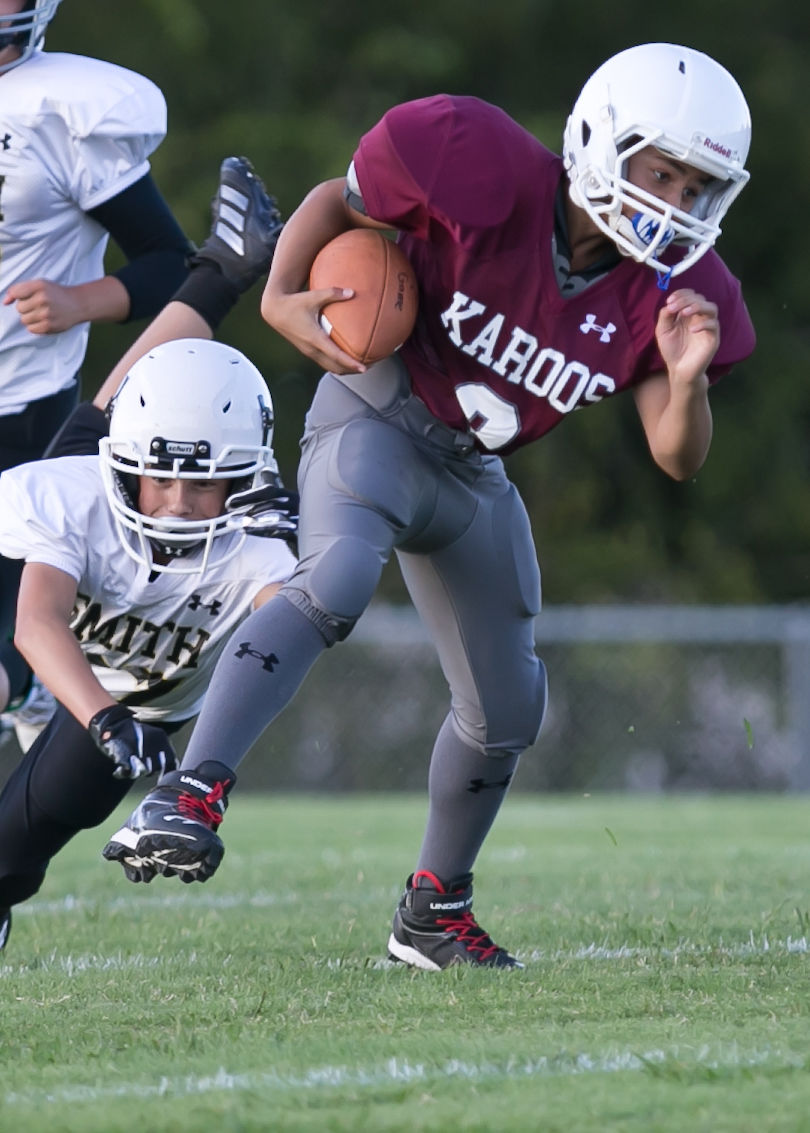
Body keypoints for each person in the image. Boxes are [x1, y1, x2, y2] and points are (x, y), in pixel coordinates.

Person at [106, 44, 755, 970]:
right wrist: (286, 292)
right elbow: (343, 195)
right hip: (379, 410)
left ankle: (432, 910)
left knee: (509, 705)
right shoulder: (480, 162)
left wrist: (686, 378)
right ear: (600, 140)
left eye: (699, 188)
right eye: (662, 172)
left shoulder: (678, 292)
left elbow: (675, 455)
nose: (676, 205)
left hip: (472, 471)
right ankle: (188, 793)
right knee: (335, 574)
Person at [0, 155, 295, 952]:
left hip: (143, 704)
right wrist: (100, 719)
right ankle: (227, 272)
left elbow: (281, 647)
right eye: (155, 478)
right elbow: (36, 621)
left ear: (247, 479)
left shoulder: (262, 548)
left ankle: (224, 270)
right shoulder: (78, 490)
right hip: (94, 685)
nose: (174, 503)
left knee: (11, 853)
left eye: (203, 487)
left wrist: (193, 786)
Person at [0, 0, 195, 747]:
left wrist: (82, 300)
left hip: (23, 410)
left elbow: (169, 260)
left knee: (14, 629)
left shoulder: (63, 113)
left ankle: (31, 684)